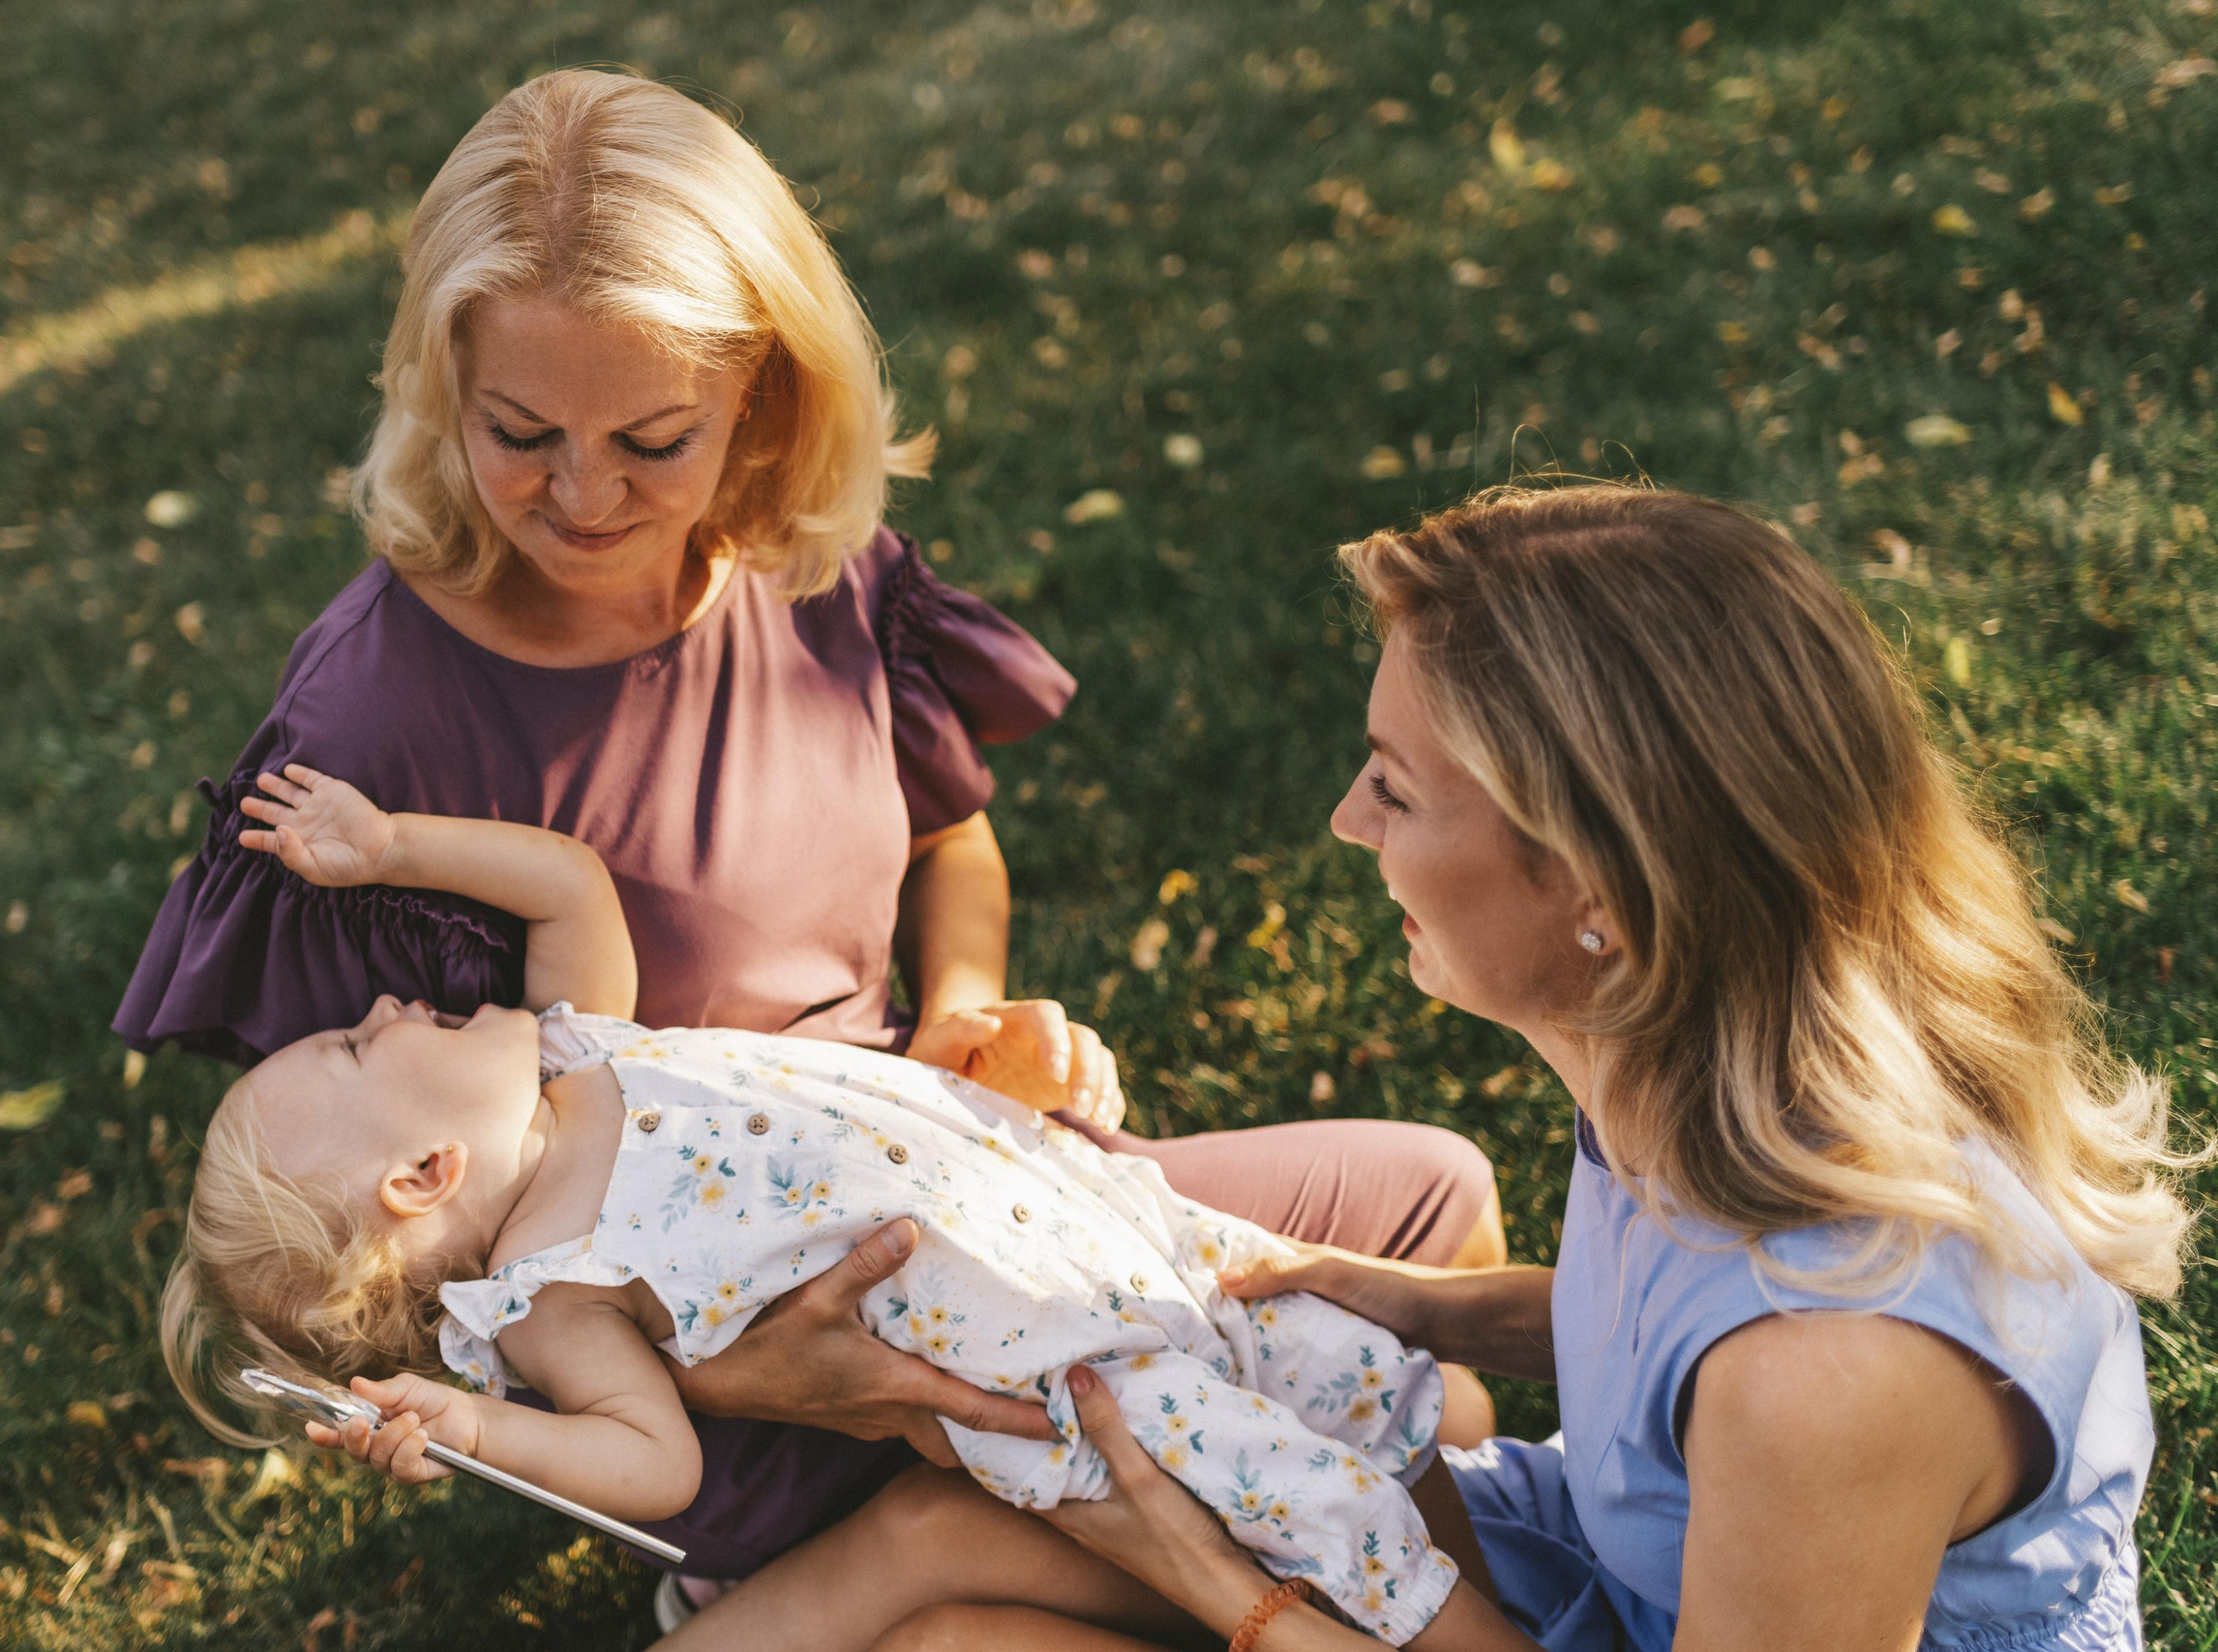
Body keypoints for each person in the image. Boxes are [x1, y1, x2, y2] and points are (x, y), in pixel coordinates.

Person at [114, 68, 1505, 1588]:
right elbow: (391, 1260)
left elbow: (947, 842)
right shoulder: (366, 742)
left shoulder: (800, 566)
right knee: (1226, 1507)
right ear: (446, 392)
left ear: (761, 394)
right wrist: (758, 1371)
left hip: (945, 1177)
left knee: (1434, 1204)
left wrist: (968, 1027)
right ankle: (904, 1570)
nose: (585, 499)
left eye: (653, 438)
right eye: (521, 432)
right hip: (754, 1372)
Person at [851, 483, 2196, 1651]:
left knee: (966, 1639)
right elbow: (1668, 1327)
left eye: (1394, 787)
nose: (1343, 822)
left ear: (1601, 886)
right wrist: (1394, 1301)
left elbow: (1762, 1387)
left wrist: (1221, 1592)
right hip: (1638, 1581)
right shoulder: (1707, 1066)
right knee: (938, 1541)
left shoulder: (1832, 1376)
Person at [162, 763, 1489, 1647]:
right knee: (1336, 1525)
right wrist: (469, 1426)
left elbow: (570, 881)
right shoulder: (551, 1291)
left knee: (1373, 1385)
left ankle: (1495, 1544)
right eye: (353, 1049)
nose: (383, 1006)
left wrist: (390, 845)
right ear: (422, 1178)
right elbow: (651, 1463)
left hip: (1090, 1228)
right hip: (1058, 1373)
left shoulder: (579, 1050)